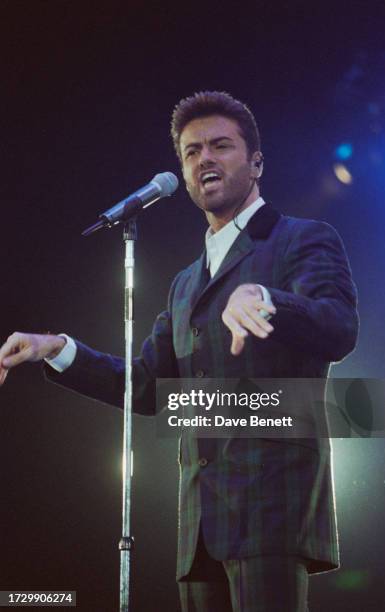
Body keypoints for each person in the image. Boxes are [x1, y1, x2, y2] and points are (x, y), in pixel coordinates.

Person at [0, 91, 359, 611]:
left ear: (256, 161)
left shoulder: (301, 239)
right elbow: (147, 386)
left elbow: (339, 327)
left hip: (272, 504)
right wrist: (59, 349)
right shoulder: (185, 284)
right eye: (191, 152)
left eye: (220, 146)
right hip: (199, 520)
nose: (204, 159)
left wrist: (267, 299)